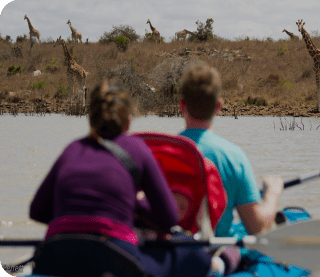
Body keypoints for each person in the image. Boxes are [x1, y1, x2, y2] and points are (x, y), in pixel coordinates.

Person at [29, 80, 212, 277]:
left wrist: (73, 217)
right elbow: (168, 218)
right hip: (112, 257)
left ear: (91, 120)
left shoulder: (72, 149)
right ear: (128, 120)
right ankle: (224, 263)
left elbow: (37, 211)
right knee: (195, 254)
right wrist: (134, 205)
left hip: (56, 254)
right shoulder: (137, 148)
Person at [178, 64, 284, 239]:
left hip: (173, 251)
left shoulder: (163, 152)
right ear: (218, 106)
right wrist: (272, 194)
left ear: (182, 105)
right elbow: (256, 227)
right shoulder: (233, 156)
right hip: (216, 251)